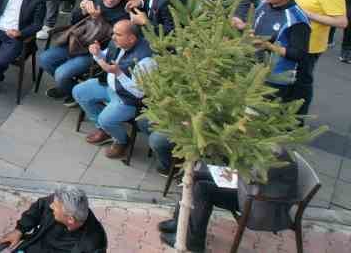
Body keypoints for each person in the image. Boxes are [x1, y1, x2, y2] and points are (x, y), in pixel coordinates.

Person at [158, 156, 298, 253]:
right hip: (248, 190)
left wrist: (229, 174)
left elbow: (252, 177)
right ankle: (179, 223)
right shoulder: (268, 145)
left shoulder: (276, 156)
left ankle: (194, 241)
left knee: (202, 189)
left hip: (257, 204)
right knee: (195, 175)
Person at [71, 19, 152, 159]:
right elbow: (106, 57)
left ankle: (122, 141)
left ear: (131, 38)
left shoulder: (145, 60)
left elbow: (139, 93)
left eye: (118, 34)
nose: (113, 37)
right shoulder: (117, 42)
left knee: (106, 119)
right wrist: (97, 54)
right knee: (79, 91)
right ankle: (105, 130)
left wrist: (119, 74)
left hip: (128, 99)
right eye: (114, 33)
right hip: (109, 85)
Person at [40, 0, 127, 101]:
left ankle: (71, 90)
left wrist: (98, 18)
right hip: (75, 42)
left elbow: (115, 41)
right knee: (45, 59)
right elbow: (74, 21)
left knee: (61, 73)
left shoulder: (124, 12)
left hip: (94, 53)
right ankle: (71, 89)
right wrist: (81, 10)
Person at [287, 0, 346, 114]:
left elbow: (341, 22)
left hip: (309, 45)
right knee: (283, 77)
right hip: (288, 36)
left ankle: (297, 120)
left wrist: (309, 14)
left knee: (301, 82)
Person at [0, 185, 106, 253]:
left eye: (55, 207)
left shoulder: (93, 245)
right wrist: (19, 230)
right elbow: (39, 207)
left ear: (70, 219)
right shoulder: (58, 203)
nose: (51, 206)